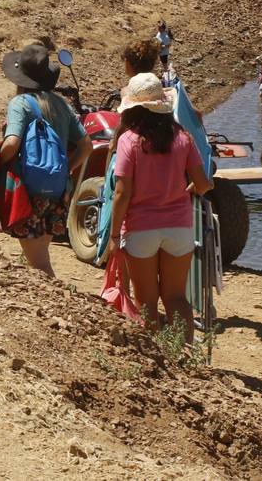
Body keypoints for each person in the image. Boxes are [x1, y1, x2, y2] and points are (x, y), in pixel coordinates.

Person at [106, 73, 212, 341]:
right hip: (179, 228)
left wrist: (114, 235)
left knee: (147, 301)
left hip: (141, 229)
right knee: (176, 298)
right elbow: (203, 184)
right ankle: (186, 355)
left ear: (133, 109)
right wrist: (184, 189)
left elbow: (122, 192)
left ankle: (158, 360)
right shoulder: (182, 138)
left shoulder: (129, 140)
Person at [0, 43, 90, 279]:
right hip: (58, 191)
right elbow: (86, 145)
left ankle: (59, 307)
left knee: (38, 262)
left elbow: (11, 144)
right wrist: (65, 168)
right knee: (39, 255)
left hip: (29, 191)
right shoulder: (61, 105)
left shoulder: (19, 104)